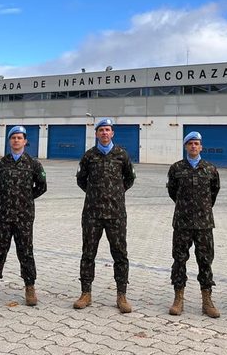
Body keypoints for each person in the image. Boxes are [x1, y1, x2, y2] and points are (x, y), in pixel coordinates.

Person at [0, 126, 47, 306]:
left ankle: (30, 287)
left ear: (25, 141)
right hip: (3, 216)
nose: (16, 140)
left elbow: (41, 186)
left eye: (19, 137)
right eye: (13, 138)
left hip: (24, 217)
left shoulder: (33, 164)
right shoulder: (0, 164)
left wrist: (24, 198)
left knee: (26, 252)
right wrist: (7, 198)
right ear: (9, 141)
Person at [73, 118, 136, 313]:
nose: (105, 133)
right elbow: (81, 180)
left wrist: (115, 193)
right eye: (101, 130)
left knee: (120, 254)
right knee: (88, 253)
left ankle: (121, 294)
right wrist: (95, 194)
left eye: (108, 130)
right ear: (97, 134)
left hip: (116, 213)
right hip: (92, 213)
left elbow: (130, 178)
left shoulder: (121, 155)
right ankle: (86, 293)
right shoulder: (89, 156)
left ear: (112, 133)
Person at [166, 131, 221, 318]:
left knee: (205, 261)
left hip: (204, 223)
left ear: (201, 147)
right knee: (179, 260)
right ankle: (178, 299)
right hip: (182, 222)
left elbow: (214, 192)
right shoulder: (176, 169)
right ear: (185, 146)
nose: (193, 146)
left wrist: (202, 208)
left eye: (197, 143)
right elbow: (173, 191)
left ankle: (207, 301)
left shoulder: (210, 169)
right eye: (190, 143)